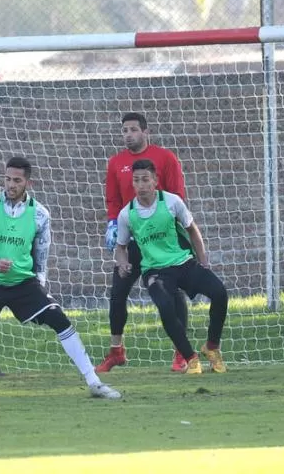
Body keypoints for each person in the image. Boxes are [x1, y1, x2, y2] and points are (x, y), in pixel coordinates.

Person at [0, 157, 121, 402]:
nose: (11, 184)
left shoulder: (40, 214)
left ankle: (94, 382)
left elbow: (41, 254)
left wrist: (40, 283)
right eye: (7, 179)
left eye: (17, 180)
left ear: (28, 182)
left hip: (22, 282)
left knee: (60, 320)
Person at [98, 112, 192, 373]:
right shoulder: (116, 162)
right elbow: (113, 200)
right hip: (133, 242)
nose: (128, 134)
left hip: (163, 242)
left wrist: (173, 231)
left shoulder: (166, 158)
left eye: (133, 129)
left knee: (173, 294)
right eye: (125, 130)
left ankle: (182, 353)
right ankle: (116, 351)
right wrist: (113, 224)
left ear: (145, 131)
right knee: (118, 292)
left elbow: (177, 196)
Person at [114, 159, 228, 375]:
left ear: (155, 181)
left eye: (145, 179)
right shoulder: (126, 214)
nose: (141, 184)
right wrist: (123, 263)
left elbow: (192, 229)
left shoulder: (172, 202)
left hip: (183, 262)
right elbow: (120, 247)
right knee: (165, 307)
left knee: (220, 293)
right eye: (136, 180)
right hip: (155, 272)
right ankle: (190, 358)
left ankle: (212, 347)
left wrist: (202, 260)